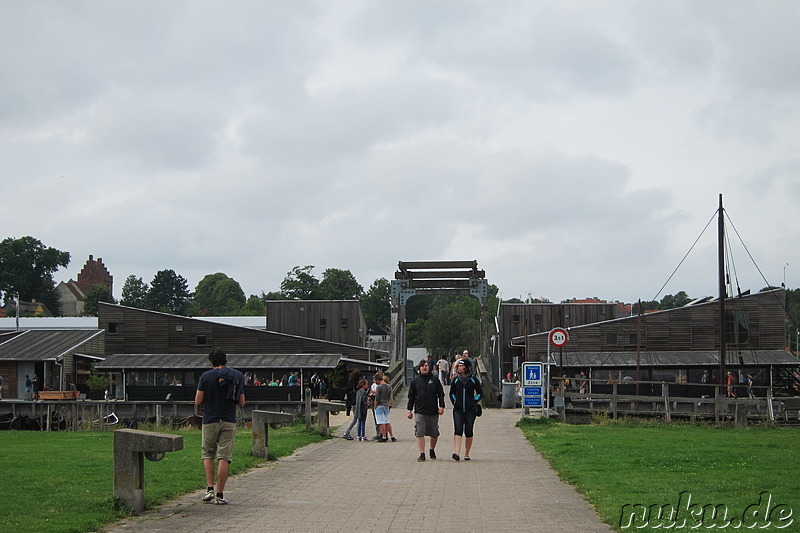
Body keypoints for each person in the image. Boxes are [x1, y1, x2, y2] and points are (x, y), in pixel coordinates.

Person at [195, 348, 245, 505]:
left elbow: (198, 401)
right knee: (224, 456)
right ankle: (220, 494)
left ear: (211, 362)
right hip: (228, 419)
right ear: (225, 360)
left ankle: (209, 489)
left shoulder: (205, 376)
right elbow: (242, 401)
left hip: (210, 419)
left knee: (208, 454)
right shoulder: (237, 375)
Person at [407, 359, 445, 462]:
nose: (425, 367)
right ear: (419, 368)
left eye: (426, 366)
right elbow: (411, 396)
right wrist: (409, 410)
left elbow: (440, 393)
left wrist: (442, 406)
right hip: (420, 410)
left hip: (433, 411)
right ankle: (422, 453)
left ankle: (432, 449)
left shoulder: (434, 380)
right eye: (423, 366)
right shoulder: (415, 381)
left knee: (434, 433)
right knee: (420, 432)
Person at [449, 359, 482, 461]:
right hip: (458, 409)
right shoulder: (456, 380)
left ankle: (466, 453)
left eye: (461, 366)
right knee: (458, 430)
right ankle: (457, 452)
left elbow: (480, 393)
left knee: (468, 430)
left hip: (470, 410)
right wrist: (455, 402)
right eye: (458, 366)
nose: (459, 367)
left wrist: (474, 402)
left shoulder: (473, 380)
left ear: (467, 367)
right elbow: (452, 393)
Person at [374, 373, 392, 442]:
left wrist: (375, 406)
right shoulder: (388, 386)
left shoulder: (379, 387)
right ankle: (392, 435)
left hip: (380, 405)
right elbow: (389, 396)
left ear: (378, 380)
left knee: (381, 422)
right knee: (387, 421)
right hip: (386, 405)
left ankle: (384, 436)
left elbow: (377, 398)